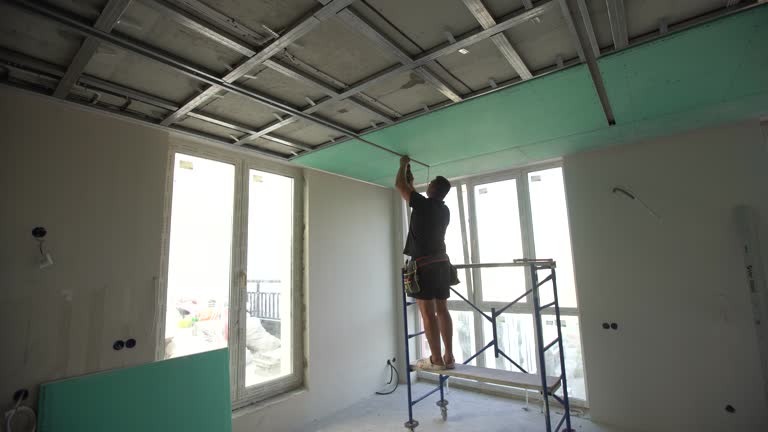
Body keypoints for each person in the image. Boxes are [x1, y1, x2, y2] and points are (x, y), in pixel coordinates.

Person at [395, 155, 454, 371]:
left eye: (429, 184)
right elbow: (409, 189)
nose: (426, 186)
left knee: (427, 312)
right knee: (442, 310)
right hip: (442, 264)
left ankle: (436, 360)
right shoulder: (444, 210)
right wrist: (410, 180)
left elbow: (400, 186)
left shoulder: (422, 204)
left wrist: (402, 166)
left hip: (425, 266)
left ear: (432, 190)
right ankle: (449, 356)